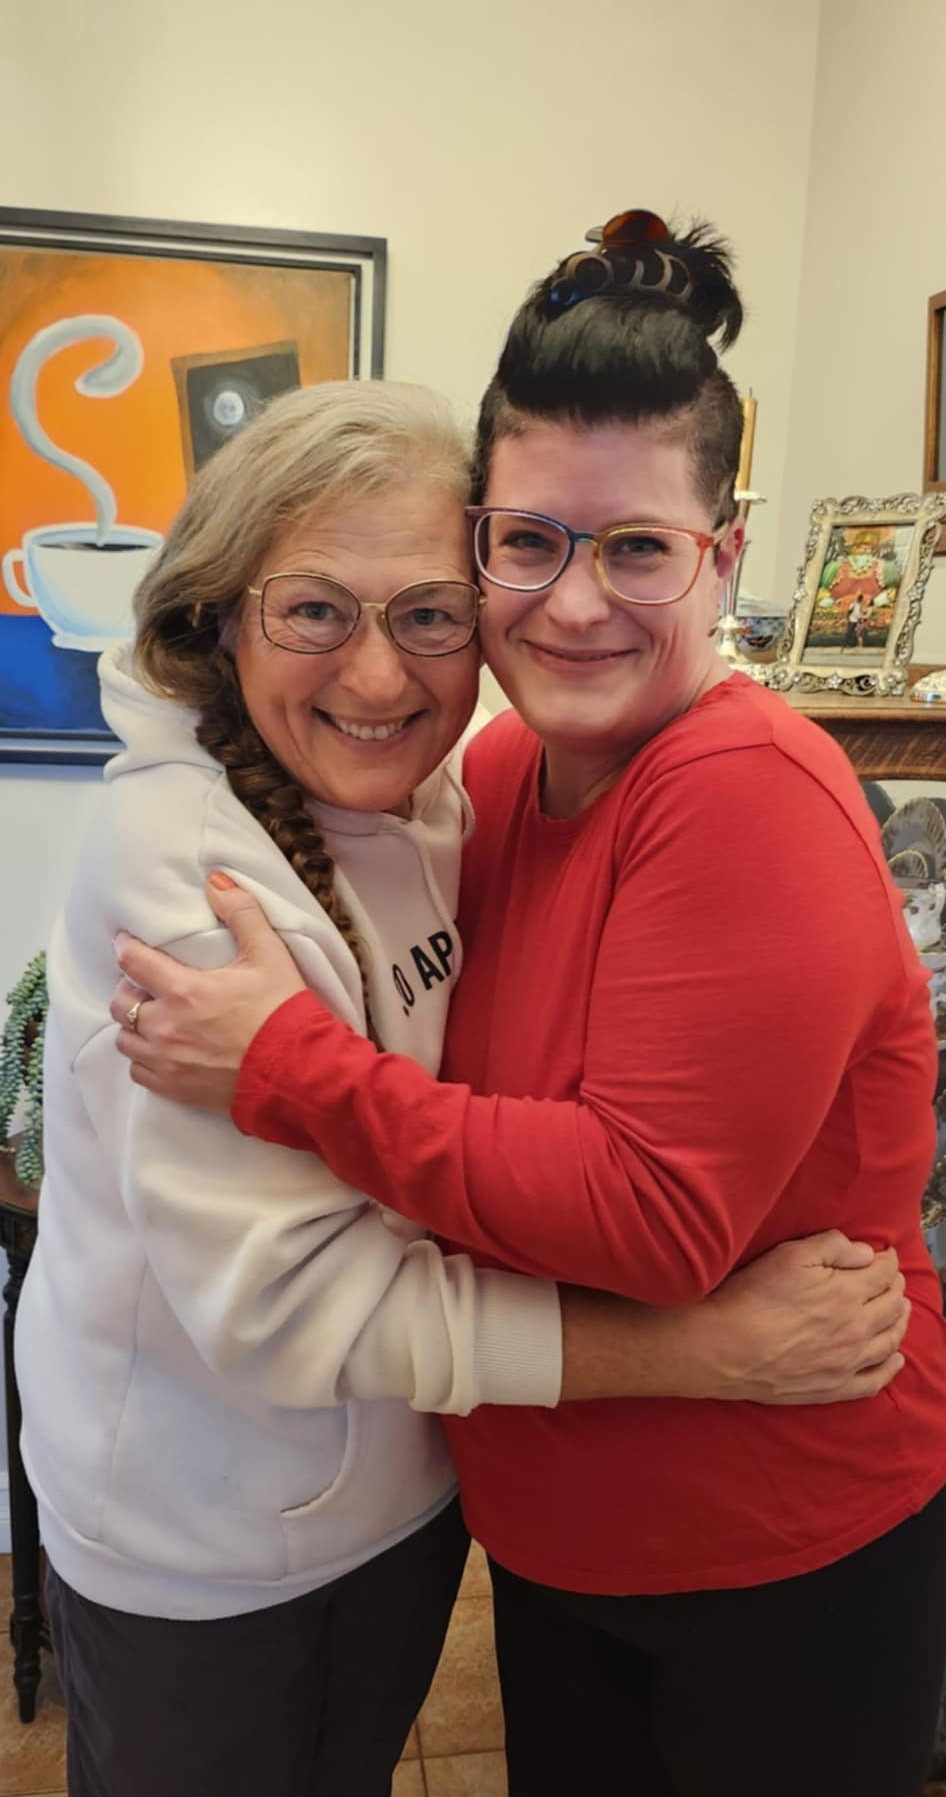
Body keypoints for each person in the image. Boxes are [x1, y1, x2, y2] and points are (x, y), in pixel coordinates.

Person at [112, 211, 946, 1797]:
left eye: (636, 546)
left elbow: (646, 1216)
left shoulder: (745, 794)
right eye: (529, 542)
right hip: (567, 1548)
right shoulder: (492, 773)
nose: (572, 605)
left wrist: (291, 1068)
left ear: (729, 548)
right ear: (481, 539)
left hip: (769, 1559)